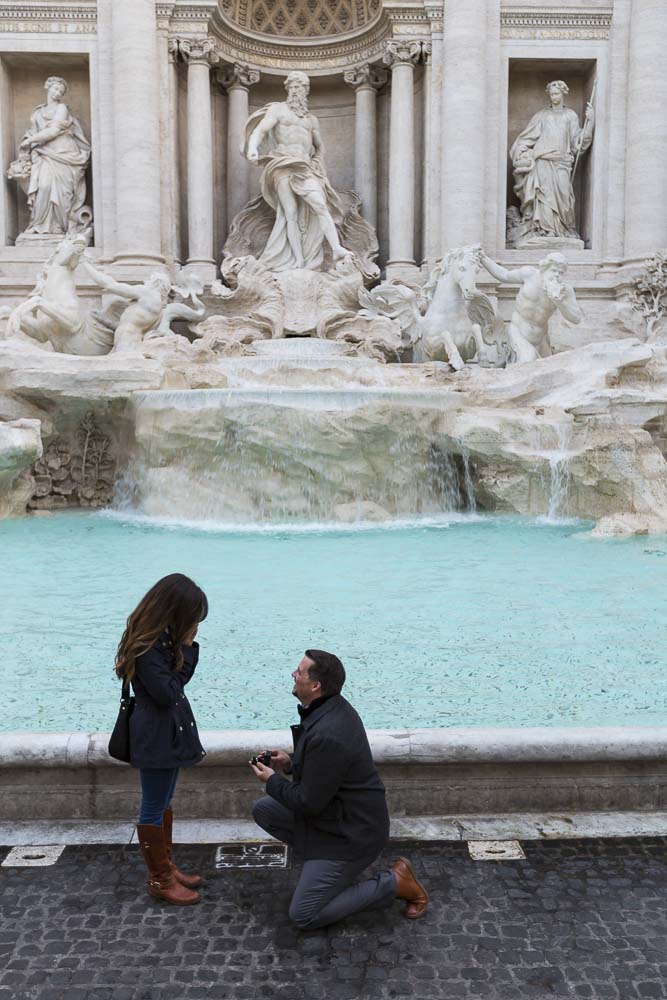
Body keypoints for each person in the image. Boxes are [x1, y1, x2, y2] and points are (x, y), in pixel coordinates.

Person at [250, 649, 428, 929]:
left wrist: (272, 780)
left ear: (315, 685)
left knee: (304, 915)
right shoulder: (330, 709)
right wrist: (290, 763)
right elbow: (326, 773)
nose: (293, 675)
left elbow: (308, 802)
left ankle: (394, 883)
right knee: (265, 810)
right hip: (336, 818)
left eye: (299, 671)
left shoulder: (329, 733)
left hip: (352, 835)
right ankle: (325, 871)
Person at [114, 573, 208, 905]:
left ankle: (167, 865)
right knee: (153, 807)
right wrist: (187, 649)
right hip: (155, 736)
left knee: (164, 802)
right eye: (192, 618)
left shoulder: (159, 640)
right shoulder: (148, 646)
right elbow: (167, 692)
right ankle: (160, 880)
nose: (195, 625)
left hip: (166, 734)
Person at [244, 70, 353, 272]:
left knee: (320, 205)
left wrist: (317, 161)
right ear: (287, 89)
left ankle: (337, 248)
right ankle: (298, 261)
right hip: (282, 164)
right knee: (290, 213)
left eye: (300, 87)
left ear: (306, 90)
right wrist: (252, 148)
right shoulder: (278, 110)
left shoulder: (311, 120)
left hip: (304, 167)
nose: (296, 90)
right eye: (293, 86)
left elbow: (320, 146)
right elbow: (261, 130)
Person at [510, 79, 594, 245]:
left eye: (557, 94)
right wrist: (522, 151)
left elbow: (578, 141)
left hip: (562, 162)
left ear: (563, 94)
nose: (554, 97)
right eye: (552, 94)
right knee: (543, 196)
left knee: (564, 197)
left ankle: (563, 229)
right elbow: (526, 138)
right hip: (542, 162)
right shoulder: (542, 115)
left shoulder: (570, 115)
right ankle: (543, 229)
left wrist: (590, 122)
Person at [13, 76, 91, 236]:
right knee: (44, 186)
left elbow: (53, 131)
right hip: (44, 154)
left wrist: (30, 141)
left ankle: (58, 227)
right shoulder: (38, 112)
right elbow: (34, 131)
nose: (57, 93)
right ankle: (40, 225)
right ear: (47, 87)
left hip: (64, 153)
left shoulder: (62, 108)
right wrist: (28, 142)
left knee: (63, 192)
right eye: (55, 89)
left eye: (61, 91)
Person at [479, 250, 583, 363]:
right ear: (544, 269)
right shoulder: (529, 274)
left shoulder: (565, 291)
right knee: (528, 361)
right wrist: (484, 259)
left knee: (546, 372)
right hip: (518, 332)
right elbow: (504, 275)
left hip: (541, 339)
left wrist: (559, 301)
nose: (557, 275)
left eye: (561, 272)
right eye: (553, 270)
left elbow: (576, 318)